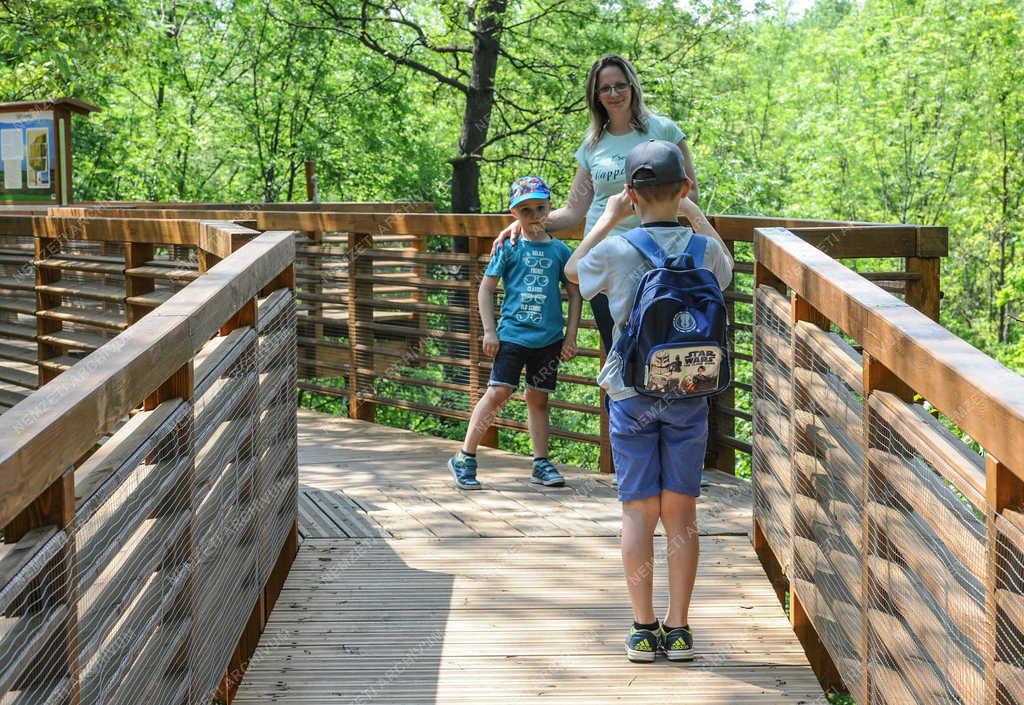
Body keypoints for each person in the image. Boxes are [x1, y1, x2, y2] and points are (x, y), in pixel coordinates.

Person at [564, 140, 733, 663]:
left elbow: (573, 270)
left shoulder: (617, 249)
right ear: (682, 190)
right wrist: (698, 214)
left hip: (632, 394)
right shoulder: (702, 249)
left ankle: (642, 628)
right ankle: (679, 629)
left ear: (632, 196)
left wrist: (608, 219)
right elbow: (725, 271)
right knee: (680, 513)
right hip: (689, 393)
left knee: (638, 513)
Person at [493, 54, 701, 353]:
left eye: (620, 85)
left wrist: (643, 206)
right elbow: (574, 211)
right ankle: (620, 402)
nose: (614, 94)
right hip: (607, 259)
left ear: (633, 86)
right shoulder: (593, 145)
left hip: (659, 256)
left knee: (665, 345)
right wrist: (527, 221)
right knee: (618, 347)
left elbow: (690, 193)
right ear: (596, 96)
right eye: (605, 89)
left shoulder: (664, 130)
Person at [448, 176, 582, 491]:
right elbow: (485, 289)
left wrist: (571, 336)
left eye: (540, 208)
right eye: (526, 210)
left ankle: (540, 462)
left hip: (548, 339)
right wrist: (489, 331)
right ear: (514, 214)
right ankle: (465, 456)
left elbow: (575, 294)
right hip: (511, 335)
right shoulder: (508, 247)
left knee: (538, 398)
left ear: (550, 208)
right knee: (498, 393)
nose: (535, 215)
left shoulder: (561, 251)